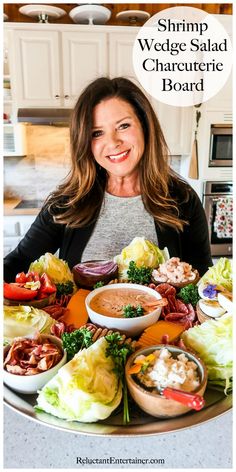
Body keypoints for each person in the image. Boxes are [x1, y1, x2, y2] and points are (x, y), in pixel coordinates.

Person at [4, 77, 212, 282]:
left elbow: (203, 279)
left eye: (123, 126)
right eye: (97, 133)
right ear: (85, 142)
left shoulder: (183, 200)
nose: (112, 142)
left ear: (145, 127)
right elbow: (18, 262)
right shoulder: (67, 203)